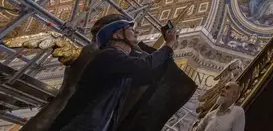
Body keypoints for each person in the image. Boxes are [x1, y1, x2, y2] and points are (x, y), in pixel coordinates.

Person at [50, 19, 178, 131]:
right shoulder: (108, 56)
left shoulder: (120, 68)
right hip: (82, 126)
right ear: (117, 34)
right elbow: (145, 65)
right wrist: (169, 45)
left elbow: (150, 75)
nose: (137, 32)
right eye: (130, 29)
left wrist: (169, 49)